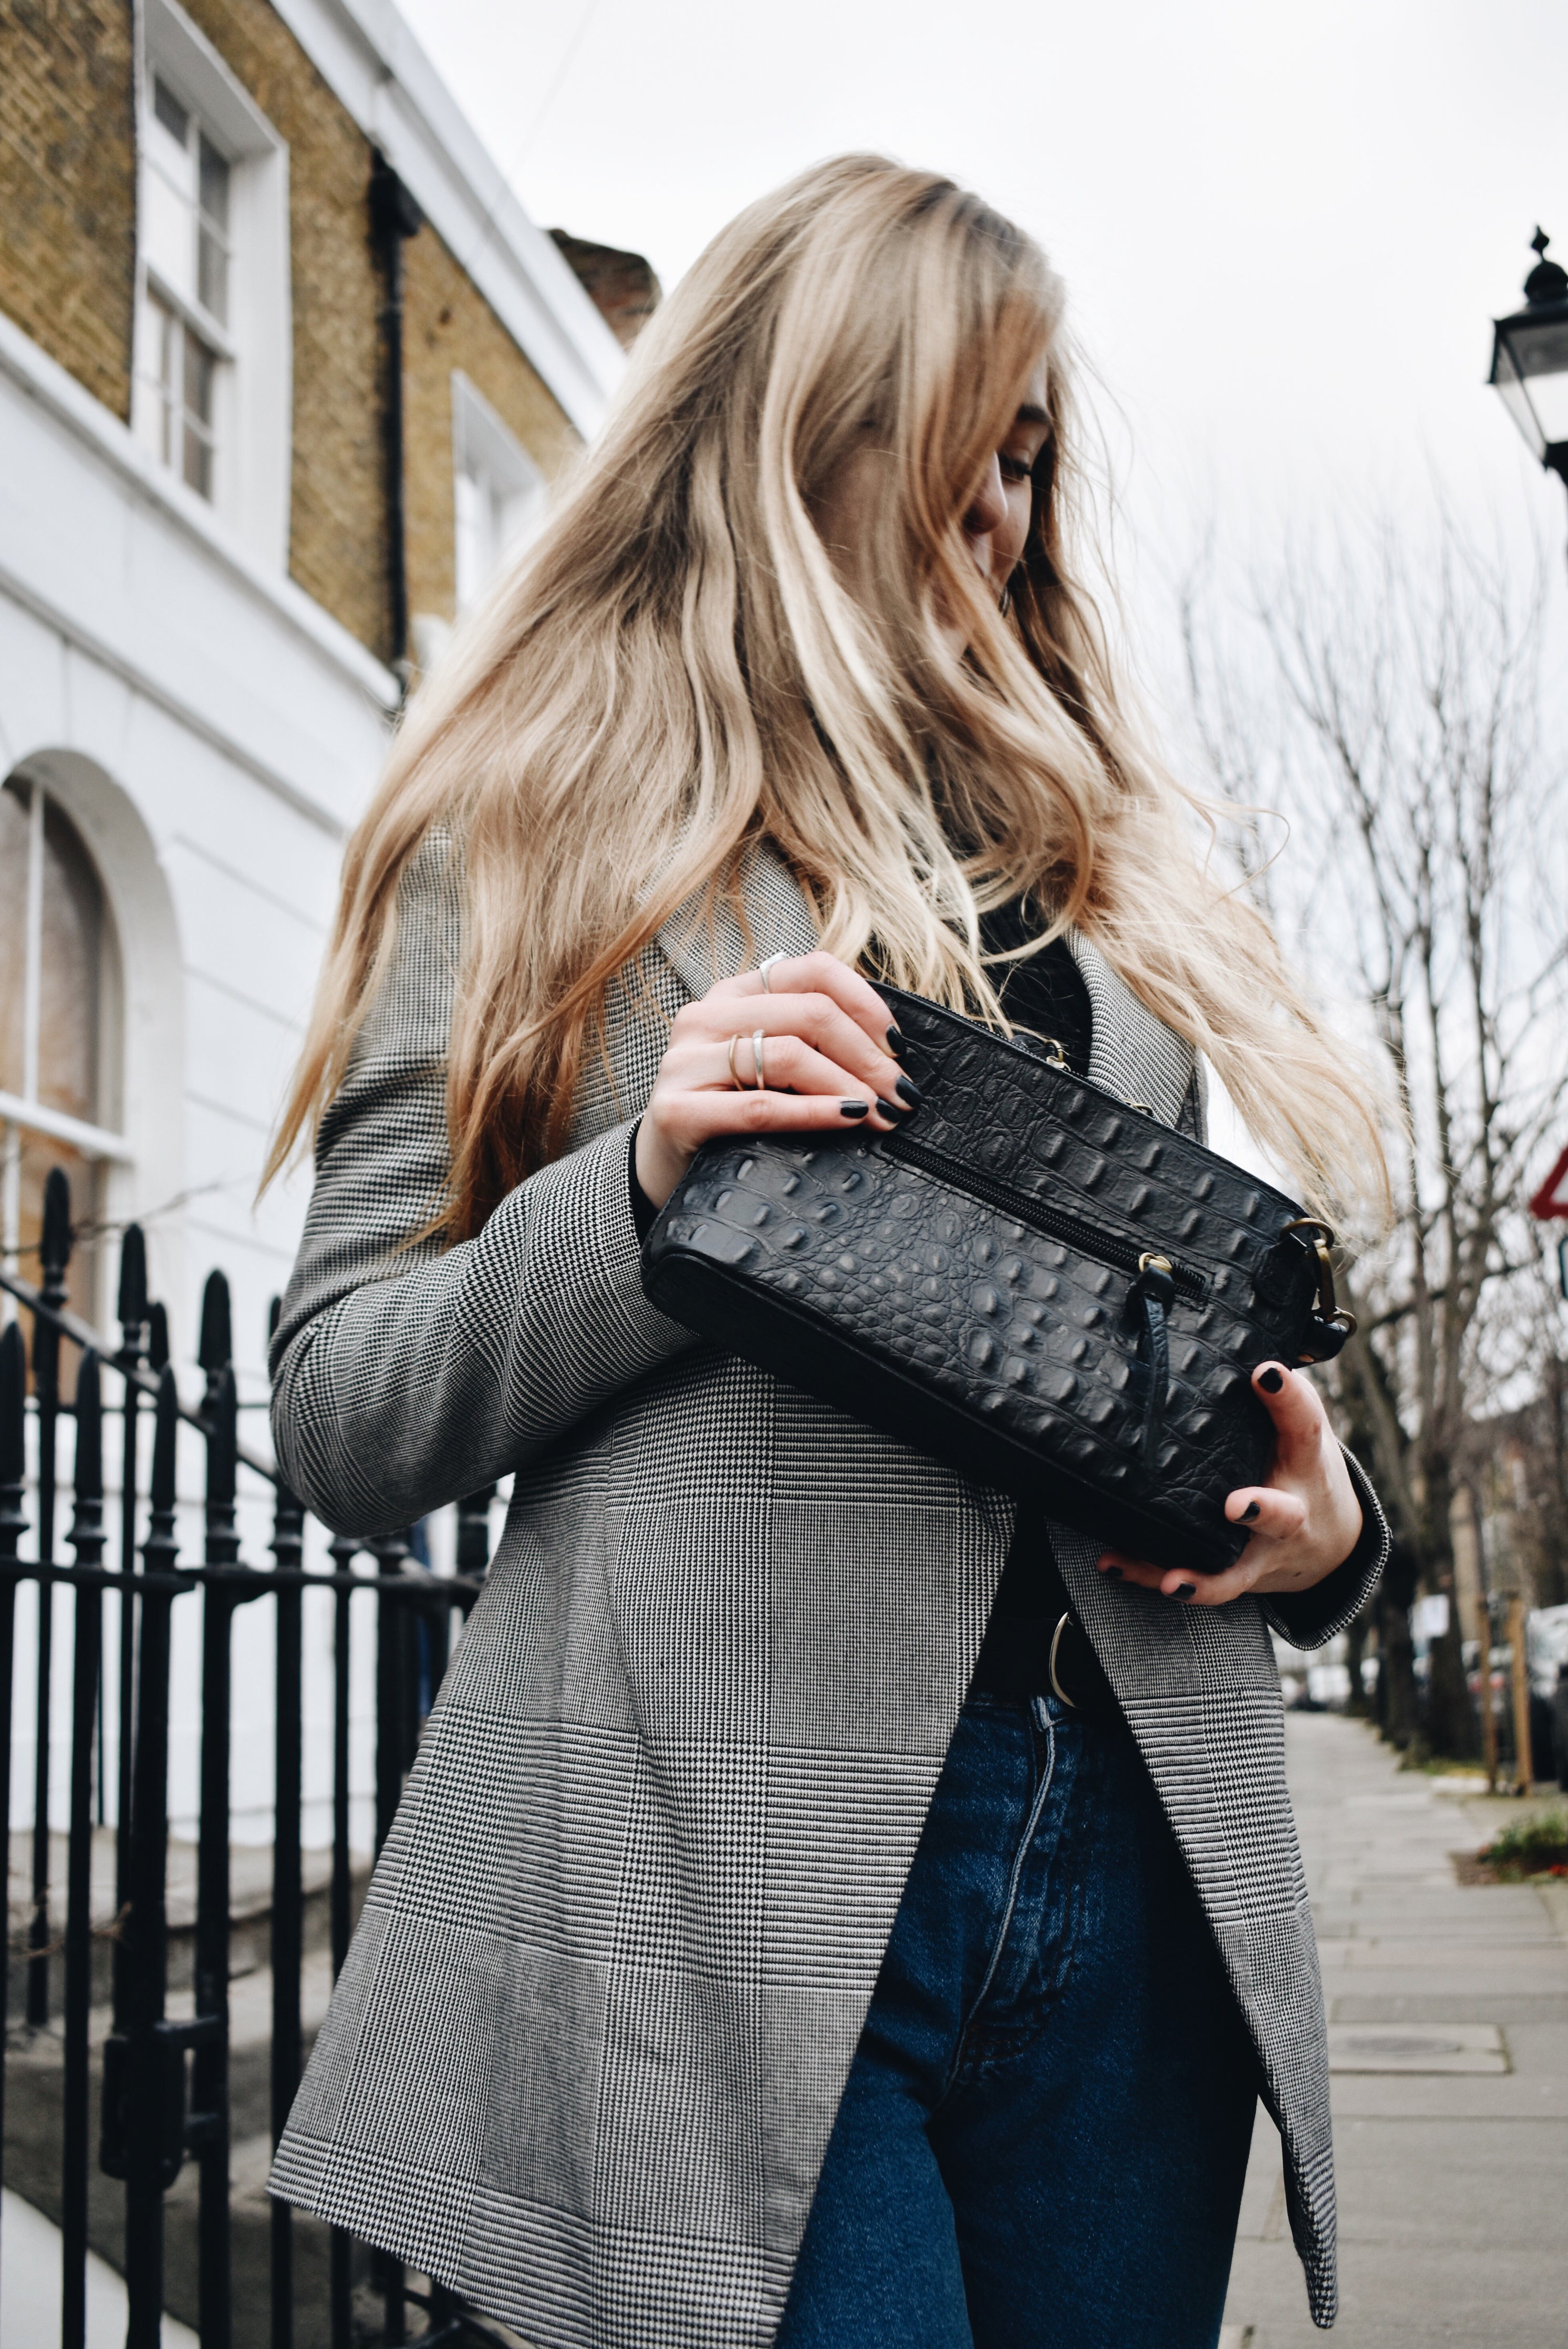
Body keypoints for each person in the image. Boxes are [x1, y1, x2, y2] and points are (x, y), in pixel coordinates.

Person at [263, 155, 1388, 2349]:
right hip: (718, 1877)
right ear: (808, 422)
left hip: (1131, 1852)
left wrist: (1314, 1524)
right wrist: (647, 1192)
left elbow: (1148, 1388)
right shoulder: (530, 819)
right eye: (970, 445)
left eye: (1038, 466)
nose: (1004, 519)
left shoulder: (1088, 861)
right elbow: (337, 1398)